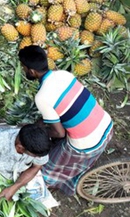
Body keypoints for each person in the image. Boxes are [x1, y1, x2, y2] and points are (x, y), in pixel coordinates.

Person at [18, 45, 113, 196]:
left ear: (31, 71)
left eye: (23, 68)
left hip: (89, 144)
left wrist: (39, 131)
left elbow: (59, 133)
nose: (24, 71)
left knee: (45, 169)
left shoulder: (41, 97)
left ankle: (48, 186)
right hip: (106, 125)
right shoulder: (63, 75)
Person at [0, 124, 51, 201]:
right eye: (35, 156)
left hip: (18, 171)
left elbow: (36, 166)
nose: (38, 158)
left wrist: (15, 187)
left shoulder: (39, 146)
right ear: (20, 148)